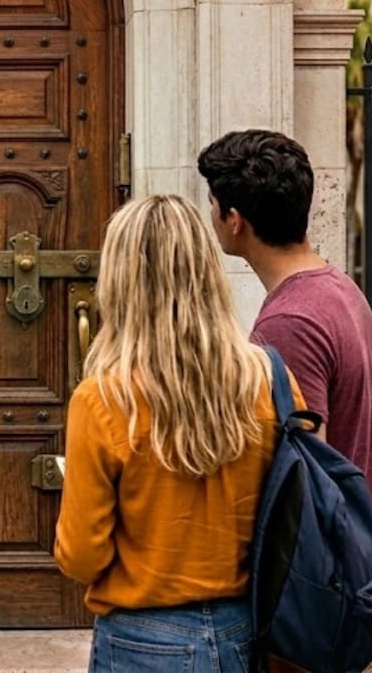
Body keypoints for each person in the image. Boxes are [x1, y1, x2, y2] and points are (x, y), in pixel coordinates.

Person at [55, 194, 306, 672]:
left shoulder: (103, 400)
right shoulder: (270, 379)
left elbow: (81, 556)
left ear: (121, 280)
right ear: (207, 273)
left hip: (140, 637)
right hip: (247, 629)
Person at [198, 129, 372, 516]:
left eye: (213, 205)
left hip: (319, 567)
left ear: (234, 220)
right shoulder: (340, 289)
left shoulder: (290, 323)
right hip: (352, 550)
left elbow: (301, 477)